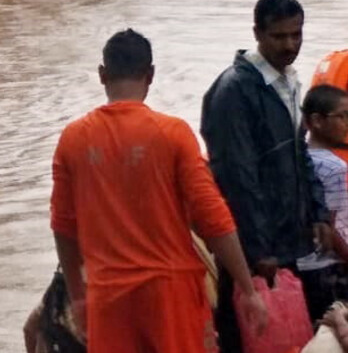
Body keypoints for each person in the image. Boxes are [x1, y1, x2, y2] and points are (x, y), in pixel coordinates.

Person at [51, 29, 268, 353]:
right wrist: (248, 289)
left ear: (101, 74)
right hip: (170, 295)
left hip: (108, 297)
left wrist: (80, 296)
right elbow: (213, 218)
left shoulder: (73, 138)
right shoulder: (172, 133)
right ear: (150, 75)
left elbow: (64, 227)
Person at [201, 0, 332, 350]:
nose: (290, 45)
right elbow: (236, 178)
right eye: (279, 36)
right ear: (257, 33)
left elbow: (299, 153)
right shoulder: (234, 91)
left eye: (297, 34)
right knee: (245, 330)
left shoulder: (286, 81)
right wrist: (258, 250)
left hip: (289, 235)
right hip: (252, 245)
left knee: (283, 329)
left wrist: (317, 212)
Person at [298, 85, 348, 320]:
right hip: (327, 267)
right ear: (316, 121)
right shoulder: (334, 168)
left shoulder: (298, 159)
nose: (347, 123)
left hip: (301, 262)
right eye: (342, 116)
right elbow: (333, 228)